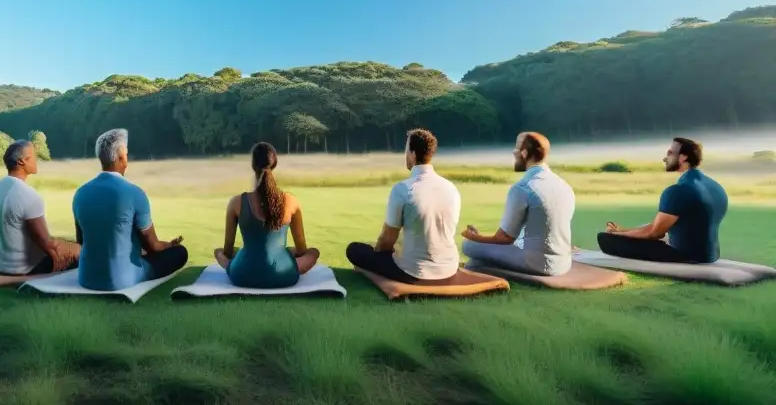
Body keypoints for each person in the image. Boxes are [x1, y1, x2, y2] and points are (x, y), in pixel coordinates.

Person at [73, 128, 188, 290]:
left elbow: (82, 241)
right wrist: (170, 245)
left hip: (86, 278)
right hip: (122, 279)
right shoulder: (135, 193)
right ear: (121, 157)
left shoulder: (80, 193)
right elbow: (153, 246)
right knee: (180, 253)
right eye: (126, 154)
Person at [345, 128, 461, 283]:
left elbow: (386, 242)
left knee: (354, 250)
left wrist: (377, 251)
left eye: (406, 149)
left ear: (413, 154)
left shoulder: (403, 189)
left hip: (414, 271)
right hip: (449, 267)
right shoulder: (451, 188)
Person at [461, 132, 575, 276]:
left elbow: (505, 238)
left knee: (469, 246)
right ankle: (475, 266)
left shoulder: (523, 187)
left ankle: (475, 266)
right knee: (476, 262)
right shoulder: (564, 185)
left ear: (525, 153)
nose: (514, 152)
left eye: (516, 148)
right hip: (563, 263)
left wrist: (475, 237)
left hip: (537, 263)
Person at [597, 137, 728, 263]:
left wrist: (616, 234)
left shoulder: (677, 191)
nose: (665, 159)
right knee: (646, 227)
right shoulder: (715, 187)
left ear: (683, 157)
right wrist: (622, 231)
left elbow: (654, 233)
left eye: (670, 154)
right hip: (710, 255)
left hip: (684, 255)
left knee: (605, 238)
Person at [213, 142, 320, 288]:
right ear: (274, 164)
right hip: (283, 274)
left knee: (219, 252)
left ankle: (239, 262)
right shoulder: (291, 201)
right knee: (313, 252)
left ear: (253, 165)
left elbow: (227, 251)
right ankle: (279, 254)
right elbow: (301, 251)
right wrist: (285, 251)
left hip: (242, 275)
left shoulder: (236, 202)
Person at [0, 139, 80, 275]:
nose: (36, 160)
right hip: (22, 268)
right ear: (22, 161)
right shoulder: (26, 194)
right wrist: (71, 248)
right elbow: (46, 242)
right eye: (33, 157)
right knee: (80, 251)